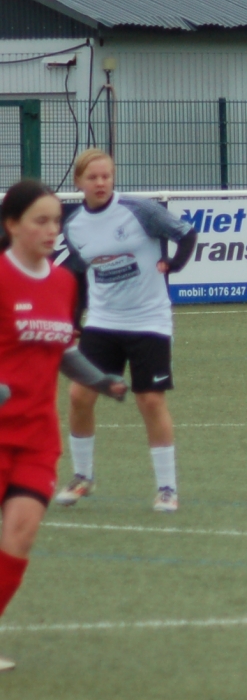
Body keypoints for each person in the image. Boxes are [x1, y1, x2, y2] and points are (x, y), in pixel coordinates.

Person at [0, 180, 128, 668]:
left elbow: (64, 350)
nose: (52, 230)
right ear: (12, 224)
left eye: (57, 220)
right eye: (41, 221)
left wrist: (102, 381)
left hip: (35, 437)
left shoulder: (64, 283)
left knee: (21, 534)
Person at [53, 148, 196, 513]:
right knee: (79, 395)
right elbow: (81, 273)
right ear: (79, 182)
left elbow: (186, 234)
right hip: (103, 321)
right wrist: (75, 319)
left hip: (149, 320)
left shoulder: (140, 210)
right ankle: (82, 477)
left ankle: (167, 488)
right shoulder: (74, 225)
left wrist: (174, 264)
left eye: (106, 176)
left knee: (150, 400)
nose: (101, 183)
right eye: (93, 177)